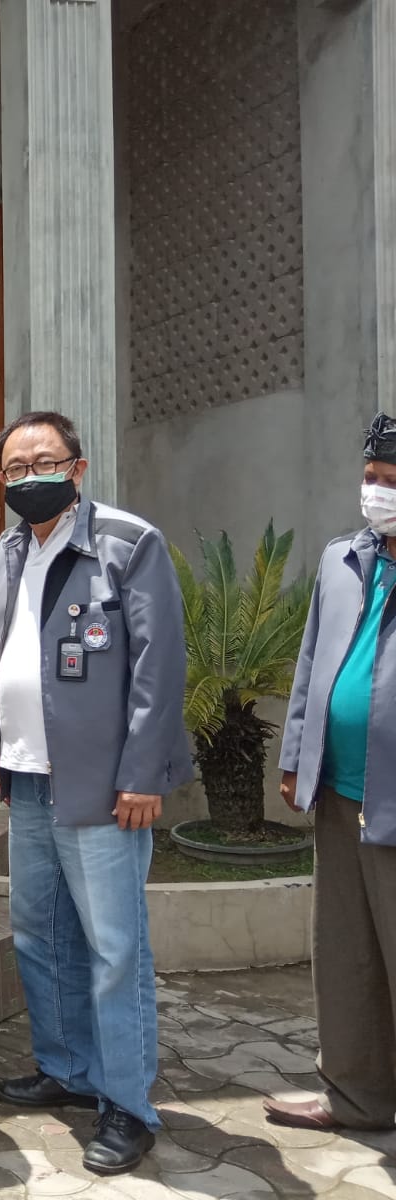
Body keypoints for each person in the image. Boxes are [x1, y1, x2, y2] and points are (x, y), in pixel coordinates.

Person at [0, 411, 191, 1175]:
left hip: (105, 785)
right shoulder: (9, 548)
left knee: (113, 949)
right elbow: (3, 650)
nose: (27, 476)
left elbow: (157, 668)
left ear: (77, 467)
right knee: (40, 932)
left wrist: (143, 773)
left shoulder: (127, 543)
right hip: (30, 777)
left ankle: (128, 1105)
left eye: (43, 461)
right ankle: (67, 1069)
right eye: (12, 468)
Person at [265, 413, 396, 1133]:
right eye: (372, 479)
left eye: (391, 483)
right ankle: (356, 1094)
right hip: (341, 790)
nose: (376, 494)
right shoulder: (342, 559)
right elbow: (314, 660)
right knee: (346, 954)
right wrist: (295, 756)